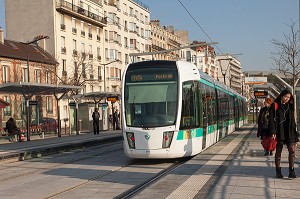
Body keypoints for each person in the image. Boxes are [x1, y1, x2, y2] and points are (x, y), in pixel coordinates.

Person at [268, 89, 299, 179]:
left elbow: (293, 120)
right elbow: (271, 120)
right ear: (281, 96)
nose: (287, 99)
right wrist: (273, 132)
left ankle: (291, 171)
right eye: (285, 96)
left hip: (289, 131)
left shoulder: (291, 105)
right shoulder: (275, 105)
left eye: (288, 97)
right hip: (279, 131)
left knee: (292, 150)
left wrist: (295, 132)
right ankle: (278, 171)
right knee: (278, 151)